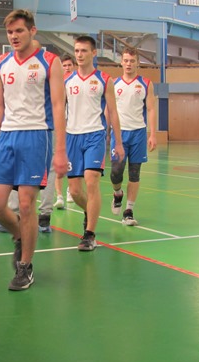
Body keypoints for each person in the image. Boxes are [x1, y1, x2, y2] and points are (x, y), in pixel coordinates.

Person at [0, 9, 67, 291]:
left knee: (26, 204)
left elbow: (58, 105)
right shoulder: (0, 63)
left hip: (37, 135)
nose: (14, 36)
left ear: (32, 31)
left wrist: (60, 150)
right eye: (10, 32)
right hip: (7, 137)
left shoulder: (50, 61)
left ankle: (25, 267)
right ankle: (21, 234)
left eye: (19, 31)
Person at [65, 35, 124, 251]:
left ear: (93, 53)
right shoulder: (67, 81)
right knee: (74, 191)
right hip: (72, 137)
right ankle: (89, 212)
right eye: (76, 51)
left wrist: (118, 142)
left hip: (95, 135)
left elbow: (113, 112)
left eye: (83, 51)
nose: (79, 55)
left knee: (91, 181)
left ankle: (89, 234)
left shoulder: (104, 80)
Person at [110, 47, 157, 226]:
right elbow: (109, 109)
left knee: (135, 173)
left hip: (138, 133)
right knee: (116, 172)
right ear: (121, 62)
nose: (129, 64)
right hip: (119, 133)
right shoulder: (114, 83)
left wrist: (152, 134)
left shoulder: (145, 83)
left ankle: (128, 211)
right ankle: (117, 194)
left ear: (137, 63)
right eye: (126, 60)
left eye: (132, 61)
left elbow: (151, 109)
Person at [55, 53, 76, 209]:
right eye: (64, 66)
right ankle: (59, 196)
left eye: (69, 65)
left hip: (74, 128)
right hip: (59, 127)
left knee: (70, 162)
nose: (67, 68)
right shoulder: (56, 83)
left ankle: (70, 190)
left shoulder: (76, 83)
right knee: (56, 162)